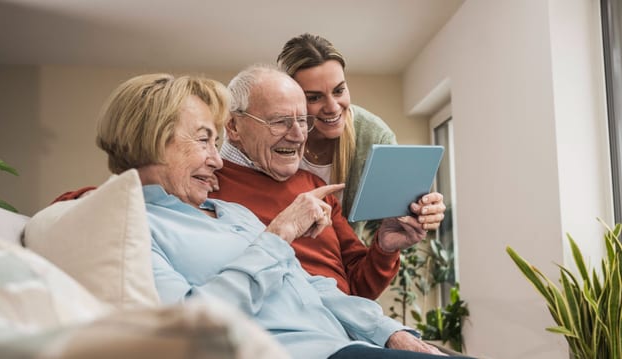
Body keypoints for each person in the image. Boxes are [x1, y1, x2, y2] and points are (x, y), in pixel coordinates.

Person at [95, 73, 474, 359]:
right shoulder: (134, 225)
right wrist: (278, 234)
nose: (215, 158)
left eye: (302, 121)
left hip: (347, 340)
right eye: (203, 140)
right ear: (152, 141)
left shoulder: (232, 212)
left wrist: (391, 331)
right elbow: (187, 332)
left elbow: (315, 285)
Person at [209, 65, 439, 300]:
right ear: (234, 126)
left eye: (302, 121)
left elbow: (358, 288)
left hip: (346, 326)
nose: (298, 136)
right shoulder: (206, 187)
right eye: (280, 122)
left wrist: (385, 247)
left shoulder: (314, 186)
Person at [277, 33, 446, 239]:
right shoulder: (274, 135)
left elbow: (397, 212)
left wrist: (423, 211)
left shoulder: (375, 136)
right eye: (314, 97)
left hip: (343, 262)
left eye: (339, 91)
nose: (332, 107)